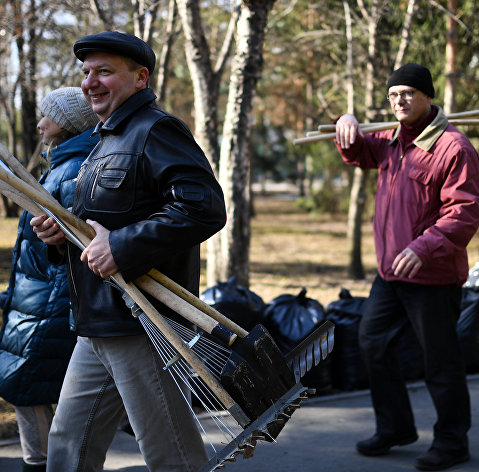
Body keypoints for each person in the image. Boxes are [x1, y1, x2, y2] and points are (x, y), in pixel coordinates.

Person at [30, 31, 227, 472]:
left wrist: (120, 246)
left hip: (143, 324)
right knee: (66, 447)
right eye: (86, 72)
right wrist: (60, 238)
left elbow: (204, 208)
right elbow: (97, 229)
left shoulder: (157, 130)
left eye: (104, 72)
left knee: (171, 455)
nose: (90, 82)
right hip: (96, 322)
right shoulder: (103, 141)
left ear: (140, 78)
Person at [334, 63, 479, 471]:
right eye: (393, 94)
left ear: (428, 97)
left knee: (440, 361)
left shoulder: (454, 147)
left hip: (431, 275)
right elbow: (361, 151)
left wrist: (425, 246)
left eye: (408, 93)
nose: (399, 100)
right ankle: (395, 427)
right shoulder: (393, 138)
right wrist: (346, 125)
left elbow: (464, 212)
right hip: (391, 272)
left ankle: (452, 443)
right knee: (372, 343)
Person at [0, 87, 99, 472]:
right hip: (33, 299)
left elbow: (67, 248)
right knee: (34, 391)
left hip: (50, 304)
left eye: (48, 116)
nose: (40, 123)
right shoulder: (57, 166)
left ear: (70, 123)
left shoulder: (72, 171)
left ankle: (39, 466)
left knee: (28, 389)